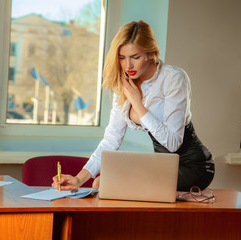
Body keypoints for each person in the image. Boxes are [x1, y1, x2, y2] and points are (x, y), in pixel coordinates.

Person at [52, 20, 215, 192]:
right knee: (100, 182)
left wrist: (137, 104)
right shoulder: (124, 84)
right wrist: (78, 179)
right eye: (122, 58)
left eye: (135, 57)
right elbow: (110, 141)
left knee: (106, 183)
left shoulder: (173, 78)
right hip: (164, 167)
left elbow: (173, 144)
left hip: (194, 167)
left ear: (151, 53)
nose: (128, 65)